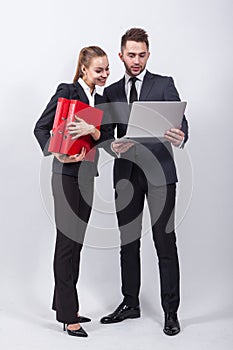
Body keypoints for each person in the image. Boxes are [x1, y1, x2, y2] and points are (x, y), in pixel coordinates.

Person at [100, 28, 189, 336]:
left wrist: (180, 135)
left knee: (164, 241)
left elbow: (181, 123)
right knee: (128, 242)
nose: (136, 60)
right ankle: (130, 303)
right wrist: (114, 146)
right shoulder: (110, 92)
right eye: (131, 54)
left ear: (148, 54)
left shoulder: (164, 84)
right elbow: (104, 138)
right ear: (121, 54)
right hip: (126, 174)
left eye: (141, 55)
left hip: (161, 174)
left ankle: (171, 311)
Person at [34, 46, 110, 337]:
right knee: (66, 243)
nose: (104, 75)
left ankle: (65, 305)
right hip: (66, 175)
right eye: (98, 70)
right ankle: (68, 316)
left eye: (106, 70)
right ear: (84, 70)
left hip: (88, 175)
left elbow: (104, 141)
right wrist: (58, 154)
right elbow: (41, 128)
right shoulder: (67, 91)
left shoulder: (100, 100)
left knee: (76, 244)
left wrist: (94, 133)